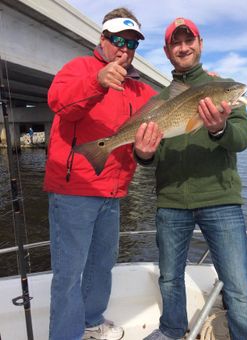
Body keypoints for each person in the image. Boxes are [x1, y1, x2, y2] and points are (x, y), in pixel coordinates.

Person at [134, 18, 247, 340]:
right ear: (166, 51)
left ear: (200, 43)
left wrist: (219, 128)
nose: (183, 47)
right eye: (176, 43)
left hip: (221, 200)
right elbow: (151, 157)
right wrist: (144, 153)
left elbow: (243, 138)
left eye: (188, 40)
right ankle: (171, 330)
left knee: (238, 286)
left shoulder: (223, 88)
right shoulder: (160, 101)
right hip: (172, 201)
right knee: (169, 278)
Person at [44, 8, 157, 340]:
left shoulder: (142, 91)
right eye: (119, 40)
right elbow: (58, 102)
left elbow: (165, 122)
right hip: (73, 191)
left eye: (132, 43)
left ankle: (92, 320)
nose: (125, 49)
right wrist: (96, 81)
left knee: (101, 266)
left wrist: (145, 153)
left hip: (112, 193)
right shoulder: (78, 68)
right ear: (103, 40)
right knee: (68, 273)